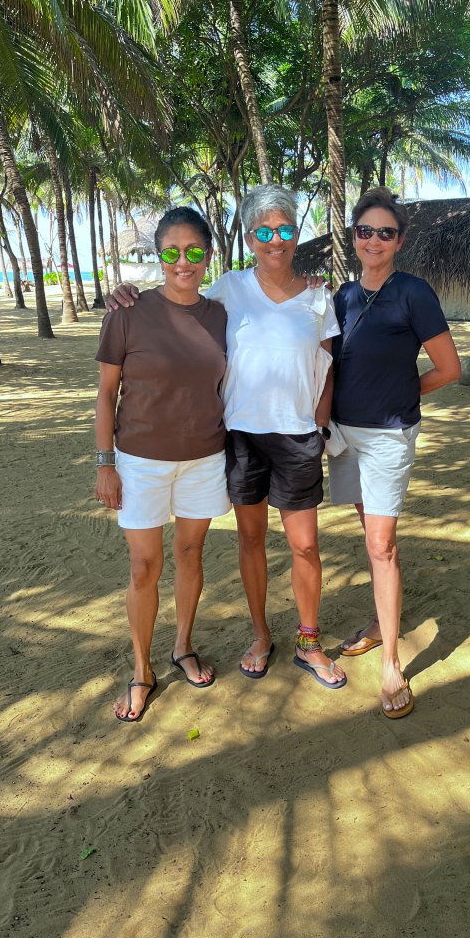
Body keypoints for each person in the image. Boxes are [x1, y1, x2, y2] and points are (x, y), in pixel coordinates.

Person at [108, 185, 346, 688]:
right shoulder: (229, 288)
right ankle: (260, 635)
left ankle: (309, 642)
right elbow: (178, 298)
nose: (276, 240)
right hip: (239, 437)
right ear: (250, 238)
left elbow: (328, 368)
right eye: (264, 231)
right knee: (250, 540)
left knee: (305, 546)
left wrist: (321, 427)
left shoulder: (318, 295)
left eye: (285, 229)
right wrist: (123, 293)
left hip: (298, 437)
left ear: (296, 234)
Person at [328, 186, 461, 719]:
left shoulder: (413, 293)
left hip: (388, 437)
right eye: (366, 231)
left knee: (381, 544)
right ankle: (382, 622)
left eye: (386, 232)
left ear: (400, 241)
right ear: (354, 236)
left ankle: (391, 662)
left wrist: (403, 394)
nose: (374, 240)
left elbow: (449, 368)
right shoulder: (342, 296)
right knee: (373, 536)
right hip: (344, 436)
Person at [95, 207, 230, 722]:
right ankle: (141, 670)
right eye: (171, 251)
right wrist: (105, 462)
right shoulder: (127, 312)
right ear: (158, 255)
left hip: (204, 458)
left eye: (194, 251)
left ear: (209, 255)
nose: (182, 261)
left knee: (191, 555)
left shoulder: (220, 315)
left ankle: (183, 646)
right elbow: (106, 394)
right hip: (140, 462)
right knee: (143, 567)